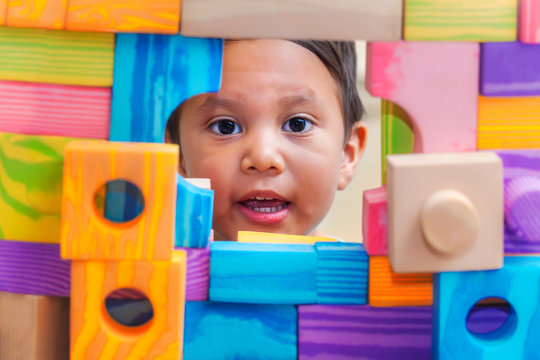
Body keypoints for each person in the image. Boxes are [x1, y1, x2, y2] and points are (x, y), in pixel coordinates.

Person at [166, 39, 366, 241]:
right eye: (226, 127)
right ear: (176, 154)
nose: (263, 158)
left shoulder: (365, 272)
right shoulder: (151, 270)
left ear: (347, 153)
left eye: (298, 124)